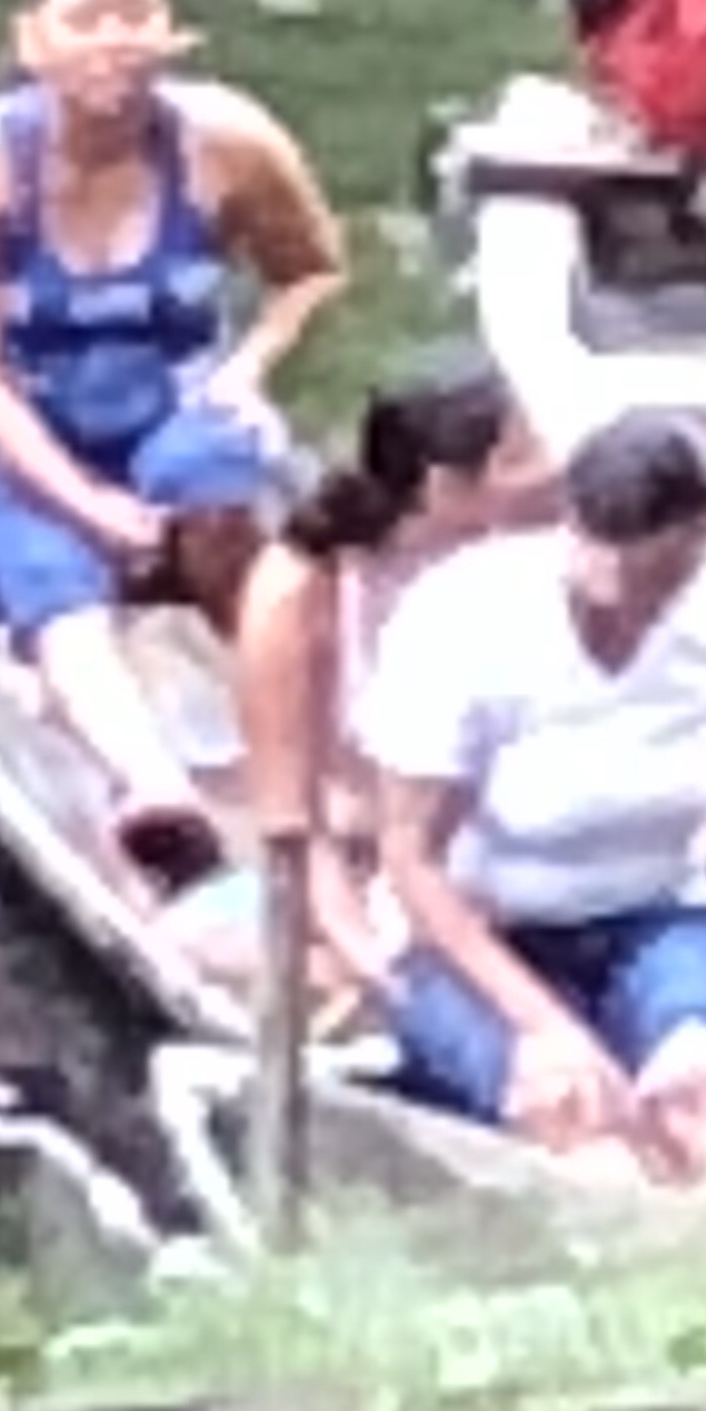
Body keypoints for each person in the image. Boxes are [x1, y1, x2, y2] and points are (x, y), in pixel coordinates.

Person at [0, 0, 352, 891]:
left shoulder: (229, 142)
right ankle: (154, 788)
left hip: (168, 408)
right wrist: (88, 506)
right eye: (87, 20)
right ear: (34, 42)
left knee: (220, 483)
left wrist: (250, 368)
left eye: (135, 16)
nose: (114, 41)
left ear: (172, 32)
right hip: (23, 431)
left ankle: (315, 739)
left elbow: (313, 275)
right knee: (47, 571)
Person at [352, 406, 706, 1193]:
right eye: (615, 570)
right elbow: (411, 860)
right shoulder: (464, 621)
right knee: (587, 1137)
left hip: (652, 910)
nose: (633, 600)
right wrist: (545, 1027)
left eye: (664, 574)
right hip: (475, 936)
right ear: (573, 525)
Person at [192, 346, 560, 1007]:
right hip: (373, 856)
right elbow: (294, 822)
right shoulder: (302, 591)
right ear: (445, 486)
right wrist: (365, 954)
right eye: (523, 458)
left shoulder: (536, 552)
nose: (553, 469)